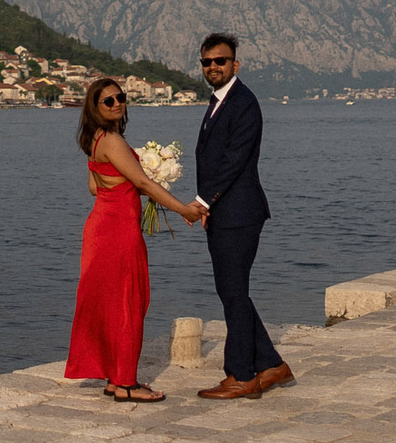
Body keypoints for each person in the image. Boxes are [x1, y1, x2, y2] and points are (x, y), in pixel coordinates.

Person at [64, 77, 204, 402]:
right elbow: (142, 182)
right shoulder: (111, 140)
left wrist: (122, 187)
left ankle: (115, 378)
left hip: (100, 228)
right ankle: (127, 383)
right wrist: (184, 209)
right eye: (108, 101)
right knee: (130, 301)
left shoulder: (96, 139)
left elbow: (94, 188)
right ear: (95, 108)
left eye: (120, 98)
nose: (117, 104)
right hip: (118, 232)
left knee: (111, 305)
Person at [187, 32, 292, 400]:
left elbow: (234, 161)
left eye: (220, 60)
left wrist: (202, 201)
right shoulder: (219, 101)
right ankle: (271, 364)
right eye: (207, 62)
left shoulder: (244, 102)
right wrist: (209, 207)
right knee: (232, 290)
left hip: (240, 213)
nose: (213, 67)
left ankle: (242, 375)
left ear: (235, 64)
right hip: (224, 211)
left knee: (232, 291)